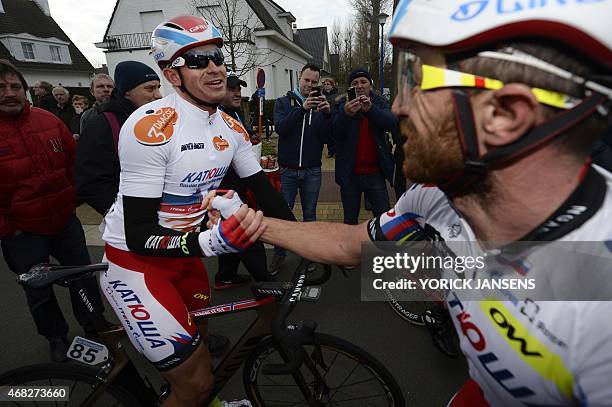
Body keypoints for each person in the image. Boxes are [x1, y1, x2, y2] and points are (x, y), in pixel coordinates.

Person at [207, 1, 612, 405]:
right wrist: (249, 223)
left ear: (507, 113)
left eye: (416, 81)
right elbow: (350, 245)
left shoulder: (598, 301)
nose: (398, 106)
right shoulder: (435, 195)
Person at [98, 15, 293, 407]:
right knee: (196, 384)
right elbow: (138, 232)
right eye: (199, 60)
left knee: (200, 351)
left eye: (217, 57)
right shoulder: (149, 127)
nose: (215, 67)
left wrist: (308, 239)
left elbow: (264, 195)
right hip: (136, 262)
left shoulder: (231, 128)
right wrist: (210, 241)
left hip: (184, 256)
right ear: (172, 74)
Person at [0, 59, 109, 363]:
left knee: (83, 277)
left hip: (64, 222)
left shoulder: (48, 121)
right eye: (1, 87)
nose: (9, 93)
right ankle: (56, 337)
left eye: (15, 86)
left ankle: (94, 325)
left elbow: (74, 165)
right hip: (22, 234)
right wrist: (9, 229)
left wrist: (71, 200)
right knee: (39, 291)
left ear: (25, 90)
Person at [75, 61, 162, 216]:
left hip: (161, 212)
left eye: (158, 87)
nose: (159, 95)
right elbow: (90, 182)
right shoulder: (101, 125)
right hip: (129, 218)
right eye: (150, 89)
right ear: (127, 91)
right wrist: (122, 214)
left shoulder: (156, 118)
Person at [269, 63, 332, 275]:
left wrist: (328, 115)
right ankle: (279, 254)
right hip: (287, 171)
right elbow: (281, 129)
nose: (310, 85)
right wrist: (301, 109)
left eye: (315, 82)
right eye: (307, 80)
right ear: (299, 77)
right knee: (282, 214)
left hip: (312, 171)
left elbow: (326, 138)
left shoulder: (321, 106)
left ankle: (308, 256)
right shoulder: (283, 102)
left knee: (310, 215)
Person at [214, 71, 272, 290]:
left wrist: (253, 140)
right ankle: (267, 283)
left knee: (231, 236)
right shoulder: (217, 117)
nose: (237, 93)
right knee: (249, 236)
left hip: (240, 186)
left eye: (239, 89)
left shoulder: (236, 113)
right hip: (226, 191)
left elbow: (242, 141)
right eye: (232, 89)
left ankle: (225, 276)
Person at [333, 68, 397, 225]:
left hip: (376, 174)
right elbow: (334, 133)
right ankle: (351, 250)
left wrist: (371, 110)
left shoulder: (379, 102)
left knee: (383, 221)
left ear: (370, 85)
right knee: (350, 220)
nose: (359, 86)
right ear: (350, 88)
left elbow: (391, 122)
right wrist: (345, 115)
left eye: (363, 82)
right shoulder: (342, 104)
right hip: (350, 175)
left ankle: (381, 250)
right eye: (355, 83)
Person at [322, 77, 339, 157]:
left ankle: (336, 151)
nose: (326, 86)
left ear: (332, 85)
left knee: (335, 135)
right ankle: (330, 151)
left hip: (334, 117)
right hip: (325, 118)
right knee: (328, 135)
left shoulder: (337, 95)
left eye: (328, 84)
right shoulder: (322, 95)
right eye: (325, 84)